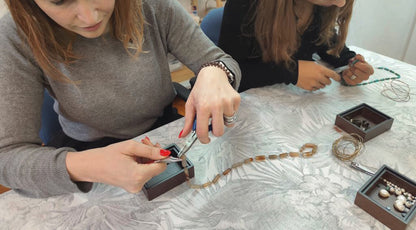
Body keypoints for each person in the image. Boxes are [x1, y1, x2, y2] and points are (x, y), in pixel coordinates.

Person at [0, 0, 241, 198]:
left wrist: (215, 72)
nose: (89, 16)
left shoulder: (153, 6)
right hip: (85, 151)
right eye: (58, 1)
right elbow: (7, 159)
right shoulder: (16, 36)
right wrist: (89, 167)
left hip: (164, 126)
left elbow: (222, 62)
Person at [218, 0, 374, 92]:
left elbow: (329, 46)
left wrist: (352, 64)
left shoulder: (320, 7)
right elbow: (227, 73)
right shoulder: (247, 5)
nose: (341, 3)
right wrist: (292, 73)